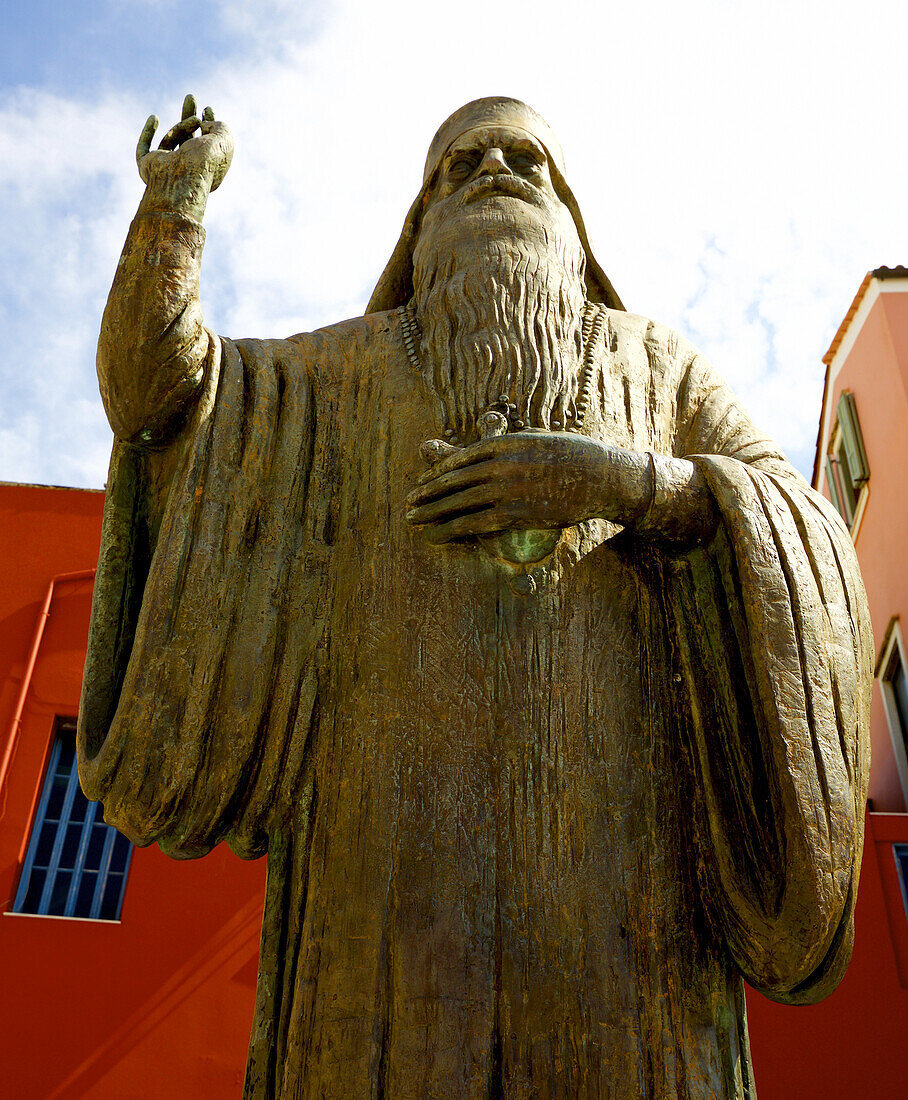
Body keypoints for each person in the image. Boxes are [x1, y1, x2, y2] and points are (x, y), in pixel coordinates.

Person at [78, 95, 871, 1100]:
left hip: (625, 905)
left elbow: (800, 530)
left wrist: (623, 484)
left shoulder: (658, 365)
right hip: (378, 898)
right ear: (418, 229)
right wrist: (178, 205)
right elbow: (157, 396)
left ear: (574, 223)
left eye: (525, 159)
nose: (494, 169)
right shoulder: (332, 374)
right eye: (460, 164)